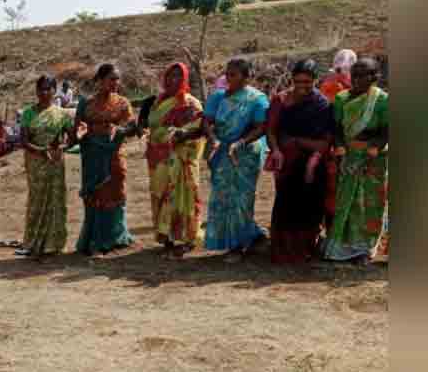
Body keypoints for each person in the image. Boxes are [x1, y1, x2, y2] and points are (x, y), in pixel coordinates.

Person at [265, 60, 335, 264]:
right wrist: (276, 150)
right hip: (286, 162)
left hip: (312, 163)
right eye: (298, 81)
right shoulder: (280, 100)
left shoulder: (322, 105)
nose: (302, 86)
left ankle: (305, 248)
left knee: (309, 206)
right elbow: (271, 130)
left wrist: (298, 141)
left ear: (315, 80)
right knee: (285, 204)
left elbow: (326, 141)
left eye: (307, 82)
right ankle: (282, 249)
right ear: (292, 80)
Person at [321, 57, 388, 263]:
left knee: (368, 203)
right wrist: (340, 146)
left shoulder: (382, 100)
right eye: (354, 75)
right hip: (348, 157)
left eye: (362, 75)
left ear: (374, 77)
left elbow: (387, 129)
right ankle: (341, 245)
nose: (356, 79)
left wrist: (375, 146)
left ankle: (364, 248)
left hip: (372, 160)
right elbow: (336, 127)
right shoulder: (341, 99)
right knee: (345, 201)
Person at [203, 57, 271, 258]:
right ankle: (247, 236)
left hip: (245, 154)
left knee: (241, 199)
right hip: (221, 153)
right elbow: (206, 121)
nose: (228, 77)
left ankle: (239, 245)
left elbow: (261, 127)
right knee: (222, 198)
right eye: (227, 73)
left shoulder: (257, 99)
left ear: (246, 77)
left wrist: (241, 142)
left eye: (233, 74)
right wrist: (213, 139)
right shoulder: (218, 97)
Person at [143, 62, 207, 258]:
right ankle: (167, 238)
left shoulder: (191, 103)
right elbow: (151, 127)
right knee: (160, 195)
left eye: (179, 76)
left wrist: (180, 135)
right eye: (170, 75)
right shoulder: (157, 102)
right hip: (158, 159)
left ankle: (187, 238)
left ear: (185, 78)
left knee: (181, 197)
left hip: (181, 159)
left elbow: (199, 130)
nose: (174, 80)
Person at [73, 64, 137, 256]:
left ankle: (116, 237)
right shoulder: (86, 103)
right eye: (111, 79)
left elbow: (131, 127)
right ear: (100, 80)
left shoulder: (123, 103)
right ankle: (95, 240)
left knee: (115, 191)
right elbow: (77, 127)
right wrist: (81, 132)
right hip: (92, 154)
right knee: (96, 194)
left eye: (117, 79)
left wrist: (122, 130)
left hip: (114, 153)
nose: (115, 83)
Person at [18, 75, 75, 259]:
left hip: (55, 162)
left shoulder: (62, 114)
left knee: (55, 201)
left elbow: (72, 139)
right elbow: (23, 141)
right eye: (41, 89)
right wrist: (41, 151)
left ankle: (53, 244)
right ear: (36, 91)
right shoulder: (28, 113)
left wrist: (61, 148)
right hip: (35, 162)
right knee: (36, 201)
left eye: (48, 89)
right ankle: (33, 243)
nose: (44, 92)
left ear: (54, 91)